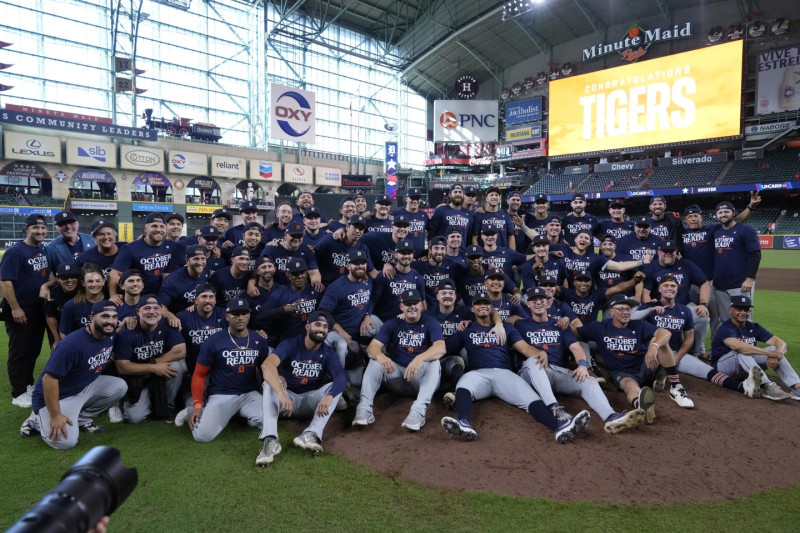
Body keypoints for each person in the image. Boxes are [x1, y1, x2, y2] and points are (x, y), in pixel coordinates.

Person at [440, 292, 591, 443]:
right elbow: (446, 350)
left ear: (491, 308)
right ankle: (464, 424)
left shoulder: (506, 327)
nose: (482, 307)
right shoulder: (466, 329)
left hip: (505, 374)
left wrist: (539, 352)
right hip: (479, 374)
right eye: (478, 304)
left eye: (485, 303)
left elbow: (524, 348)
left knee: (532, 399)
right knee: (463, 386)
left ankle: (560, 427)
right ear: (472, 309)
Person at [516, 288, 645, 434]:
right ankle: (555, 410)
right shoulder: (520, 324)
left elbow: (576, 347)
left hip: (556, 372)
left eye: (541, 299)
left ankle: (610, 416)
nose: (538, 303)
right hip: (531, 373)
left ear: (548, 303)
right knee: (534, 361)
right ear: (528, 305)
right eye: (534, 300)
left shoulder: (560, 325)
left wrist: (583, 366)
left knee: (588, 380)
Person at [19, 300, 128, 450]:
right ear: (91, 319)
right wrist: (56, 415)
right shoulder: (72, 344)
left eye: (114, 317)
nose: (110, 321)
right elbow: (48, 380)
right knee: (65, 442)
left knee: (119, 386)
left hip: (81, 387)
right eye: (105, 316)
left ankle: (82, 418)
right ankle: (35, 420)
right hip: (57, 396)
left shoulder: (110, 334)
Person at [633, 277, 763, 400]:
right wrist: (650, 309)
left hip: (673, 354)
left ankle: (743, 387)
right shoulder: (649, 307)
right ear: (659, 289)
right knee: (641, 380)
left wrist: (677, 357)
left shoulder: (684, 310)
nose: (670, 288)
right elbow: (631, 320)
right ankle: (659, 374)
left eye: (673, 286)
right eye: (665, 285)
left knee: (708, 371)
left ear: (677, 289)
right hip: (651, 353)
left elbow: (689, 338)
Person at [574, 295, 695, 425]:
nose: (626, 312)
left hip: (646, 365)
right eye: (621, 309)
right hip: (622, 373)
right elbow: (575, 333)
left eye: (628, 309)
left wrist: (654, 346)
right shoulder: (599, 327)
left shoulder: (639, 324)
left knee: (660, 341)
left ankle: (675, 386)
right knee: (629, 386)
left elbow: (666, 333)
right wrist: (564, 320)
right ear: (611, 312)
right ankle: (642, 408)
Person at [256, 310, 346, 465]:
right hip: (285, 402)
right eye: (317, 325)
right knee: (269, 384)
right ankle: (270, 440)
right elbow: (267, 365)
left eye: (325, 327)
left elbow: (341, 377)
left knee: (333, 387)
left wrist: (330, 396)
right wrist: (281, 393)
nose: (321, 329)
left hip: (309, 401)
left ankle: (311, 434)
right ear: (307, 327)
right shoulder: (291, 344)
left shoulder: (328, 352)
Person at [352, 289, 445, 431]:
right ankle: (364, 409)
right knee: (375, 360)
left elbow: (440, 348)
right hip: (398, 376)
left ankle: (418, 412)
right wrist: (381, 356)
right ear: (401, 307)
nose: (412, 306)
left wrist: (419, 359)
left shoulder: (431, 322)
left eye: (415, 303)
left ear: (421, 305)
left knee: (434, 362)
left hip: (420, 379)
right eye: (408, 304)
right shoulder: (393, 323)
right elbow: (372, 348)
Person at [184, 298, 268, 442]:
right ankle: (189, 409)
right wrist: (197, 405)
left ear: (249, 315)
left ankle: (235, 414)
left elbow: (266, 369)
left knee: (268, 421)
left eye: (244, 313)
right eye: (235, 314)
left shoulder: (258, 340)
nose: (240, 317)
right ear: (227, 316)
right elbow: (199, 375)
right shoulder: (213, 341)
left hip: (249, 394)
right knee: (202, 436)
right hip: (222, 394)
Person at [1, 214, 50, 408]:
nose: (40, 231)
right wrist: (15, 307)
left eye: (43, 228)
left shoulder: (42, 249)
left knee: (33, 350)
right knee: (19, 352)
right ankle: (18, 391)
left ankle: (28, 384)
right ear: (26, 230)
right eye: (35, 228)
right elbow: (5, 282)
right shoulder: (15, 252)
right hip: (21, 309)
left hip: (38, 309)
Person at [711, 295, 800, 401]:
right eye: (739, 309)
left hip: (744, 367)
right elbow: (738, 346)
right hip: (723, 369)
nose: (743, 312)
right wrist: (769, 354)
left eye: (746, 310)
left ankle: (797, 388)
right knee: (742, 351)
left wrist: (776, 354)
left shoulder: (753, 327)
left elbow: (780, 343)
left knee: (774, 349)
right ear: (731, 310)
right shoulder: (725, 328)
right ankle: (767, 386)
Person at [114, 294, 187, 423]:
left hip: (158, 371)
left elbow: (181, 351)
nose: (152, 312)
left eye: (156, 308)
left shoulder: (167, 324)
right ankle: (122, 401)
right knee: (134, 418)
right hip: (138, 376)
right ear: (138, 311)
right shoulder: (128, 331)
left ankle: (168, 405)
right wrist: (152, 368)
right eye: (147, 308)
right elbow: (122, 367)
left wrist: (155, 364)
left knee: (177, 366)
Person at [639, 239, 711, 358]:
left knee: (702, 318)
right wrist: (650, 306)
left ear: (676, 252)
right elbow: (645, 292)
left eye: (671, 251)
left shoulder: (686, 265)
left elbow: (704, 283)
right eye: (664, 251)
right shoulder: (651, 267)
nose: (668, 253)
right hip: (659, 306)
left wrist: (703, 304)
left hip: (684, 305)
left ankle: (693, 352)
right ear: (659, 252)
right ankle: (647, 352)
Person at [319, 250, 376, 386]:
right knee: (341, 344)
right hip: (335, 333)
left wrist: (367, 316)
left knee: (356, 383)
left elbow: (371, 300)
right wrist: (340, 330)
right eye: (356, 263)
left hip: (354, 338)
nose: (360, 266)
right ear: (348, 266)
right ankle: (335, 383)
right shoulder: (337, 286)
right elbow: (323, 311)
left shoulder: (368, 282)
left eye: (363, 263)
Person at [710, 201, 762, 337]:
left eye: (726, 212)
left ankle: (746, 349)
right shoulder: (716, 231)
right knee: (725, 320)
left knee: (743, 318)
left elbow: (756, 255)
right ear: (716, 215)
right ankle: (726, 350)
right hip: (720, 285)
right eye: (720, 212)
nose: (723, 214)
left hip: (741, 284)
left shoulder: (746, 230)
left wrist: (750, 279)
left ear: (734, 213)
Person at [108, 212, 181, 297]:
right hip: (137, 297)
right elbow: (115, 274)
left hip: (162, 296)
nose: (158, 230)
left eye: (162, 226)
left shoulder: (173, 247)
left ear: (166, 229)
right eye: (154, 226)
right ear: (145, 229)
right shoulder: (130, 248)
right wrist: (113, 296)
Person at [314, 215, 378, 286]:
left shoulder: (362, 248)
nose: (357, 231)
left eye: (361, 229)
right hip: (326, 285)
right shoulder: (330, 240)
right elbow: (312, 260)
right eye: (355, 227)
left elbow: (372, 271)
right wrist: (317, 281)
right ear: (347, 227)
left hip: (347, 288)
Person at [159, 244, 209, 319]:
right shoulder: (173, 280)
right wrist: (169, 316)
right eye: (196, 259)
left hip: (200, 314)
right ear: (187, 261)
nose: (200, 262)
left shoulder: (205, 272)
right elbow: (160, 305)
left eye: (203, 258)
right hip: (179, 317)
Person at [59, 263, 107, 336]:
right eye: (90, 281)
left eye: (98, 281)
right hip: (80, 346)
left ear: (103, 281)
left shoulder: (111, 301)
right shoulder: (71, 306)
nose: (94, 284)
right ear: (83, 283)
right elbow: (64, 333)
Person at [44, 262, 81, 351]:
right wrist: (57, 339)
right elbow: (50, 317)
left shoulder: (84, 290)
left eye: (73, 276)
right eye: (64, 277)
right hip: (59, 328)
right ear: (58, 279)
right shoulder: (52, 294)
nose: (69, 280)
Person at [44, 210, 93, 275]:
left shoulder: (91, 240)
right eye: (63, 224)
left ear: (78, 224)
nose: (68, 226)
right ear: (56, 228)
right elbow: (49, 274)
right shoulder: (50, 248)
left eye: (71, 222)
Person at [389, 188, 428, 253]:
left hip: (420, 255)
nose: (415, 201)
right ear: (406, 199)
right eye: (412, 198)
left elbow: (432, 231)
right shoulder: (395, 214)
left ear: (420, 199)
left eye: (417, 198)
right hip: (402, 254)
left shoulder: (424, 215)